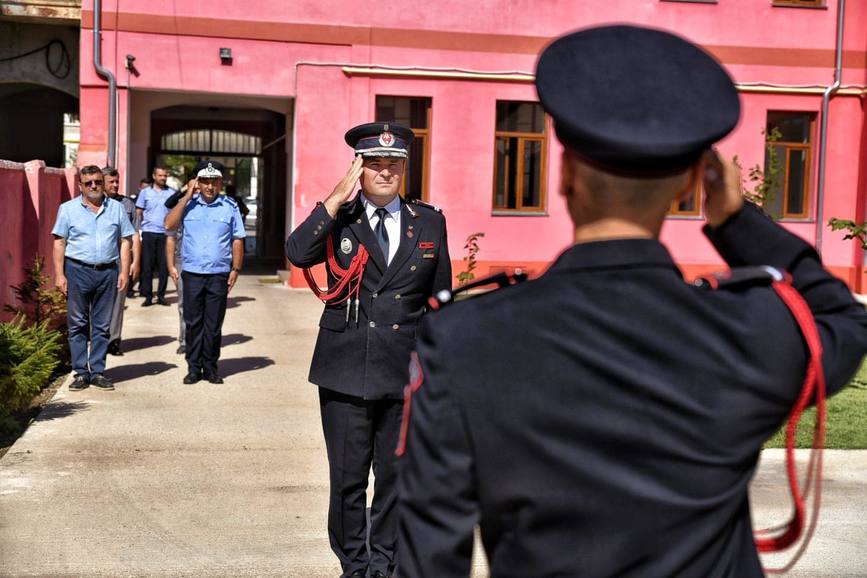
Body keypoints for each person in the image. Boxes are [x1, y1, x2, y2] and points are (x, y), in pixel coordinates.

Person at [397, 25, 867, 577]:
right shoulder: (749, 328)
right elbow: (841, 319)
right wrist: (739, 223)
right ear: (692, 185)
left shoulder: (465, 340)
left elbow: (429, 555)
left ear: (565, 176)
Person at [286, 122, 452, 578]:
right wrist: (335, 198)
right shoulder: (341, 218)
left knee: (395, 480)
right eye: (373, 163)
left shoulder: (429, 221)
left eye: (393, 163)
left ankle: (386, 565)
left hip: (405, 371)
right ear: (357, 168)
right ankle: (354, 567)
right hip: (345, 368)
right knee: (348, 481)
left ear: (404, 168)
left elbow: (441, 301)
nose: (384, 171)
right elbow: (298, 254)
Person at [51, 165, 135, 391]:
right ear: (80, 186)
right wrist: (59, 275)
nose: (94, 186)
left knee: (102, 325)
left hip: (108, 272)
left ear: (102, 182)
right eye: (88, 183)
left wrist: (124, 271)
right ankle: (80, 372)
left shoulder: (116, 208)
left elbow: (126, 240)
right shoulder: (67, 209)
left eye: (98, 181)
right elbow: (59, 242)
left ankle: (97, 371)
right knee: (77, 323)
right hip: (77, 271)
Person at [164, 160, 245, 384]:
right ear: (198, 182)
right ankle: (193, 367)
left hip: (219, 274)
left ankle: (210, 368)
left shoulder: (230, 206)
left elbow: (237, 239)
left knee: (213, 324)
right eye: (205, 181)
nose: (209, 186)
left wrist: (236, 268)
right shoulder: (187, 205)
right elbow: (169, 225)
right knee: (193, 323)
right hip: (192, 274)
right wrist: (187, 195)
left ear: (220, 183)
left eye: (214, 182)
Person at [103, 166, 141, 356]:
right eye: (112, 182)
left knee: (118, 301)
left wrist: (136, 262)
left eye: (117, 181)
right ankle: (98, 337)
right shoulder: (94, 203)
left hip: (121, 259)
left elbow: (135, 235)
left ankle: (113, 341)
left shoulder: (127, 204)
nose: (116, 185)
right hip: (100, 258)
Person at [136, 165, 175, 306]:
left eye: (165, 176)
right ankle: (147, 295)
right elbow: (139, 212)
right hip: (148, 233)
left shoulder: (172, 193)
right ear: (154, 176)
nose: (163, 178)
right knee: (147, 265)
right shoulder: (145, 193)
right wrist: (138, 231)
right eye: (160, 175)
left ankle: (161, 295)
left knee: (164, 266)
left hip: (165, 234)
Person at [165, 183, 191, 355]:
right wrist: (171, 265)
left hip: (202, 262)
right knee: (184, 304)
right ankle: (184, 340)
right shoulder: (180, 205)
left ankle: (200, 340)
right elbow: (170, 236)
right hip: (183, 261)